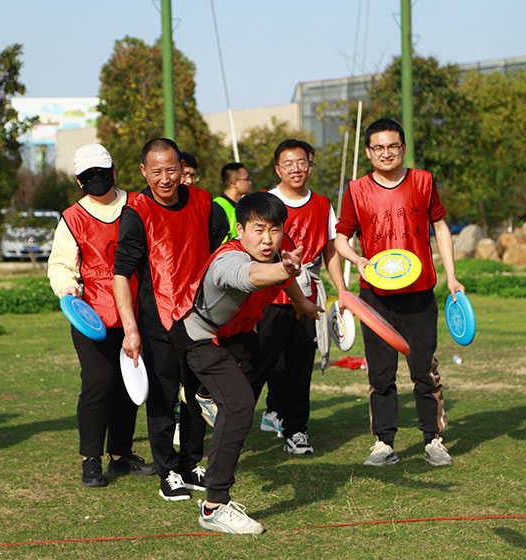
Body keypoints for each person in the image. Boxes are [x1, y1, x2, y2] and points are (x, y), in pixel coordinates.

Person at [184, 192, 320, 533]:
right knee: (240, 406)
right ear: (241, 230)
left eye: (275, 230)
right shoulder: (228, 260)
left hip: (239, 337)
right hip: (202, 339)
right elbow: (253, 276)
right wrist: (282, 268)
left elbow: (282, 276)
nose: (267, 239)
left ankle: (204, 395)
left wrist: (300, 302)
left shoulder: (275, 252)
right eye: (259, 230)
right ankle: (214, 507)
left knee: (247, 379)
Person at [334, 118, 463, 467]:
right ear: (368, 152)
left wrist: (451, 277)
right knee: (380, 373)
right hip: (375, 295)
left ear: (403, 147)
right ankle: (383, 443)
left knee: (424, 369)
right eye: (378, 147)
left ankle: (433, 439)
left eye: (393, 146)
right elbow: (341, 238)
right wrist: (358, 259)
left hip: (419, 293)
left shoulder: (424, 181)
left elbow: (440, 227)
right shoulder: (355, 190)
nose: (386, 153)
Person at [113, 138, 226, 501]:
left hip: (200, 318)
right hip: (157, 320)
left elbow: (222, 256)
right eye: (157, 171)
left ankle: (191, 463)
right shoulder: (136, 212)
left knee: (197, 395)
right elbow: (121, 275)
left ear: (183, 169)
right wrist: (130, 329)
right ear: (143, 172)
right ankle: (167, 470)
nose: (165, 178)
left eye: (172, 170)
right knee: (162, 399)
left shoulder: (206, 204)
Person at [47, 143, 155, 486]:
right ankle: (91, 459)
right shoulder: (72, 217)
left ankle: (121, 456)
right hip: (92, 316)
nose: (97, 178)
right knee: (98, 382)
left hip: (137, 312)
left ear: (114, 171)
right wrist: (68, 288)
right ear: (79, 180)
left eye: (102, 172)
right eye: (89, 175)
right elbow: (60, 265)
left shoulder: (140, 204)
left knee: (128, 383)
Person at [250, 139, 347, 455]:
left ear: (310, 166)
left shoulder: (322, 204)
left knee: (300, 366)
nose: (296, 169)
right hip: (269, 299)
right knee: (258, 365)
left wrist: (342, 289)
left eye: (302, 162)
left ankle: (296, 431)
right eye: (288, 163)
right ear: (277, 169)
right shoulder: (262, 201)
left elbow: (331, 250)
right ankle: (234, 426)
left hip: (307, 297)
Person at [212, 162, 253, 243]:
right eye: (247, 179)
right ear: (235, 183)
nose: (250, 182)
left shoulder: (244, 206)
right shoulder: (216, 208)